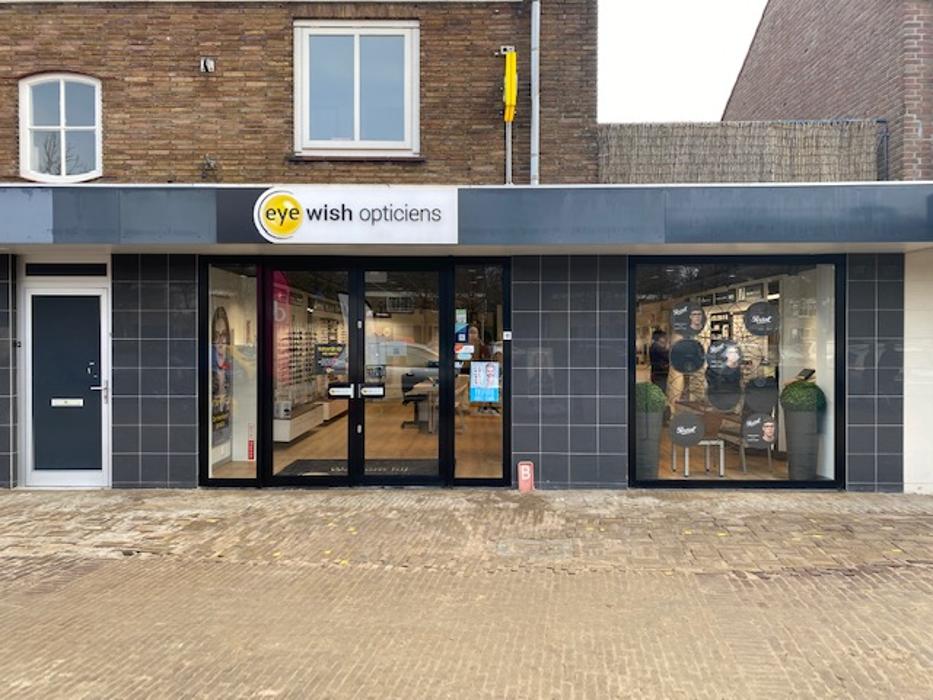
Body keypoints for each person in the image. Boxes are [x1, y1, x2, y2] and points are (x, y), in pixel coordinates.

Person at [649, 330, 670, 395]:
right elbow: (668, 356)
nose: (666, 339)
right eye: (664, 337)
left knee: (659, 392)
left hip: (657, 373)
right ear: (659, 338)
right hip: (659, 374)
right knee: (660, 392)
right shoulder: (656, 347)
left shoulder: (655, 346)